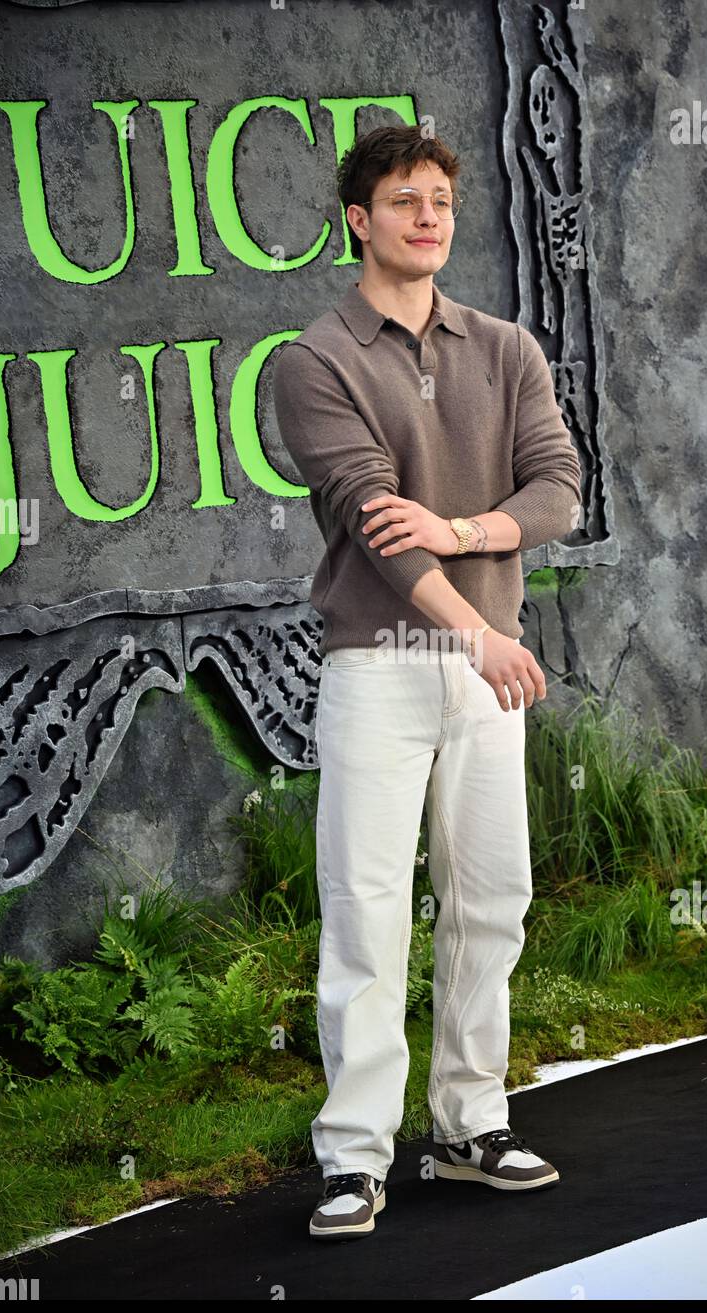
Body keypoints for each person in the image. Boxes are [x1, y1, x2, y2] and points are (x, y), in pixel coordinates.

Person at [273, 124, 582, 1241]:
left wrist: (459, 522)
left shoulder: (504, 348)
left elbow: (557, 487)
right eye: (404, 201)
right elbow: (375, 526)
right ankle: (353, 1158)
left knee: (489, 903)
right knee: (365, 916)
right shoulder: (314, 360)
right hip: (381, 669)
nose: (428, 217)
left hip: (481, 677)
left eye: (441, 199)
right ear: (358, 220)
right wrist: (477, 632)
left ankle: (467, 1125)